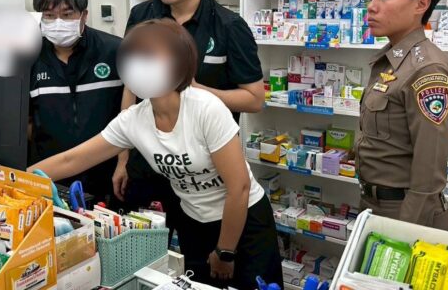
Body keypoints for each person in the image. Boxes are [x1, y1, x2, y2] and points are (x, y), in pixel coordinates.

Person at [30, 19, 282, 289]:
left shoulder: (205, 108)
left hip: (243, 223)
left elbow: (239, 187)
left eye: (149, 56)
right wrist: (16, 178)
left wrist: (225, 251)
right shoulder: (134, 119)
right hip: (194, 224)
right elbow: (72, 159)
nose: (139, 65)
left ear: (179, 62)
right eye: (133, 57)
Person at [114, 0, 264, 218]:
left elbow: (254, 99)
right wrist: (122, 157)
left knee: (197, 241)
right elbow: (131, 87)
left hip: (202, 169)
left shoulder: (229, 26)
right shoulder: (141, 17)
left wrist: (196, 89)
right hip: (148, 157)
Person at [355, 0, 448, 230]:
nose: (372, 6)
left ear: (421, 4)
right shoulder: (391, 61)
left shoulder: (427, 69)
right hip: (374, 204)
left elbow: (429, 170)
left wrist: (406, 232)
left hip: (405, 212)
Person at [28, 0, 124, 206]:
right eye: (49, 16)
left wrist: (124, 162)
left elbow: (130, 114)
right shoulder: (28, 57)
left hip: (107, 172)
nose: (58, 22)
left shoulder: (115, 50)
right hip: (51, 173)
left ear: (84, 15)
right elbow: (26, 121)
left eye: (67, 15)